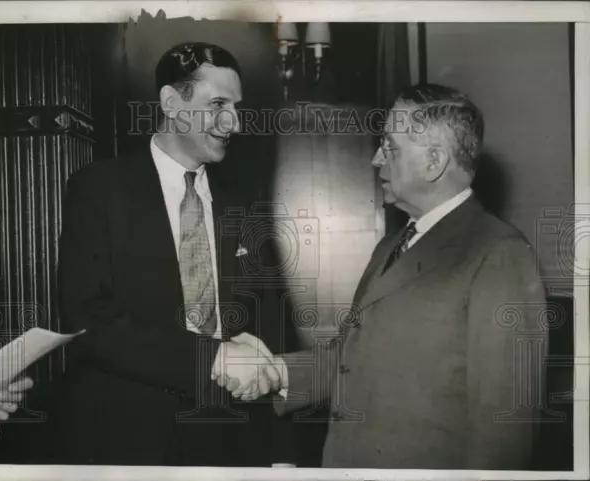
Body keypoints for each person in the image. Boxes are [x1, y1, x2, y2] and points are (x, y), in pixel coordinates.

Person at [219, 83, 548, 470]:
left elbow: (503, 431)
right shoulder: (391, 246)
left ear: (434, 161)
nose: (376, 159)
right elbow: (350, 359)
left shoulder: (499, 254)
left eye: (390, 147)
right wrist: (275, 371)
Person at [54, 42, 295, 467]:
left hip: (230, 435)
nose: (233, 123)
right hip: (128, 438)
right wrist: (212, 357)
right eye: (218, 103)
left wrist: (278, 443)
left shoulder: (244, 200)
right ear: (171, 102)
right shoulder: (98, 189)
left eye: (236, 107)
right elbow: (87, 319)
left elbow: (269, 320)